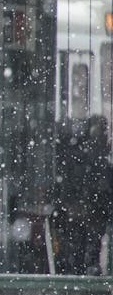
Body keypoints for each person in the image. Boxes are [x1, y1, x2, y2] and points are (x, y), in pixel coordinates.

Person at [52, 115, 113, 275]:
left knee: (84, 247)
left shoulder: (93, 159)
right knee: (83, 247)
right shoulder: (89, 158)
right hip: (89, 211)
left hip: (92, 211)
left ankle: (82, 271)